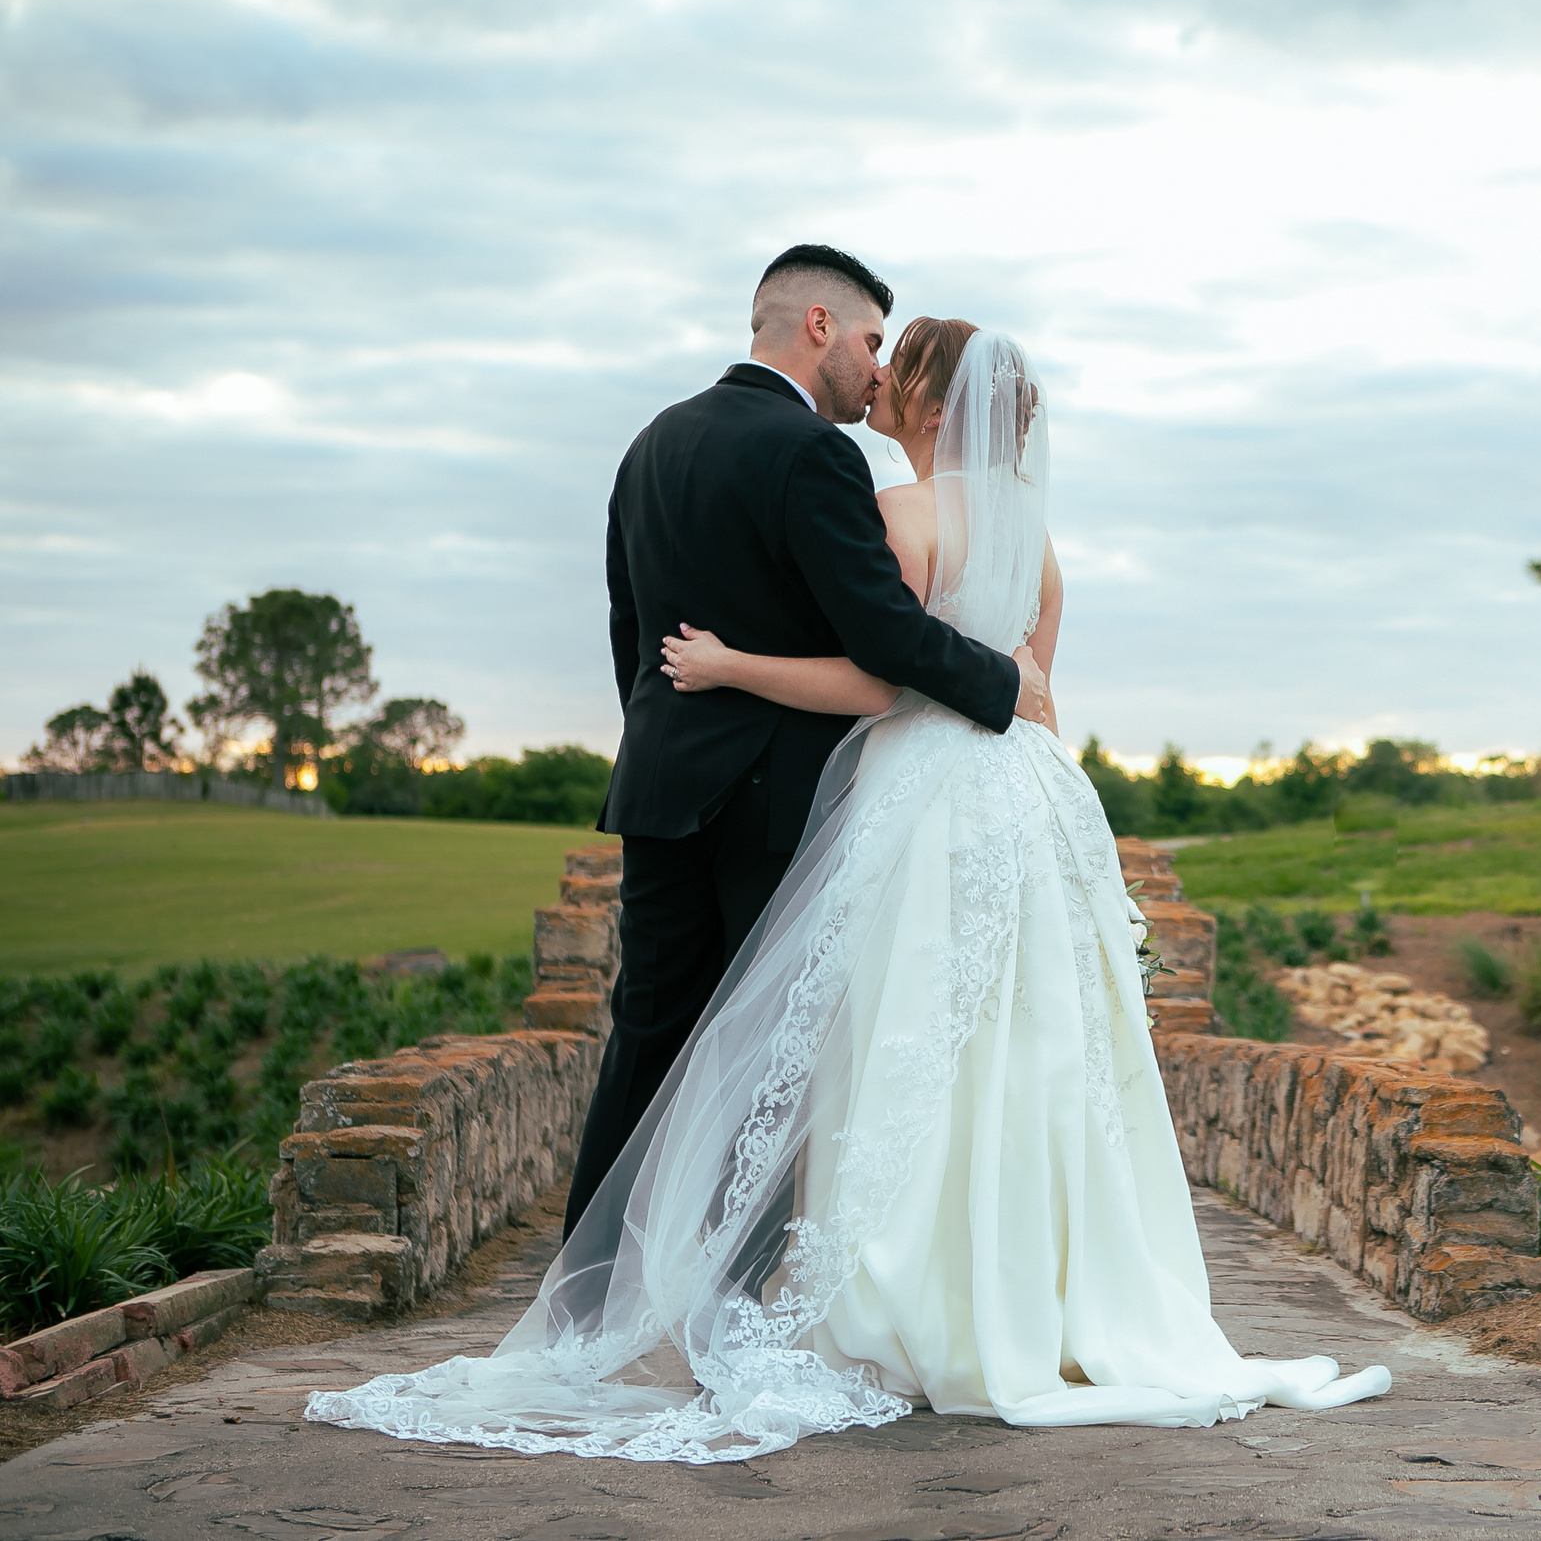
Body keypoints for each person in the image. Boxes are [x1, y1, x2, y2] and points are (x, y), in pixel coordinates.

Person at [306, 318, 1391, 1460]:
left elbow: (880, 681)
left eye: (896, 363)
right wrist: (1083, 843)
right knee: (1022, 1054)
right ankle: (1036, 1296)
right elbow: (1037, 695)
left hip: (927, 798)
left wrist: (727, 666)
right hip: (1031, 802)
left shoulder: (904, 514)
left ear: (927, 401)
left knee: (895, 1038)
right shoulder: (1040, 539)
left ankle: (892, 1297)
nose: (877, 377)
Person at [566, 245, 1046, 1240]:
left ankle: (585, 1291)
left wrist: (669, 738)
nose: (878, 369)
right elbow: (884, 641)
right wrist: (1007, 680)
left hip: (661, 785)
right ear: (818, 326)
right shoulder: (814, 452)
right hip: (776, 794)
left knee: (645, 1035)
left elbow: (629, 631)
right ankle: (733, 1298)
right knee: (774, 1051)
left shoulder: (651, 442)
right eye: (871, 339)